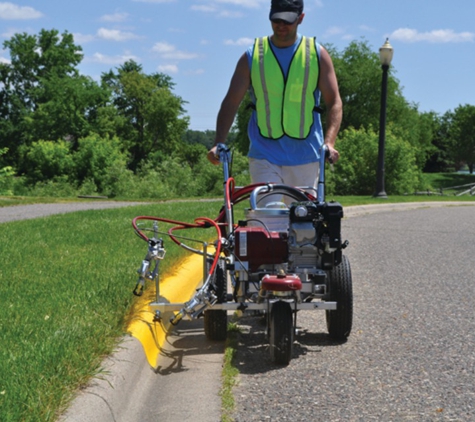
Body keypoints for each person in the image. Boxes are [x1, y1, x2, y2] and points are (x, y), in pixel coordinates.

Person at [207, 0, 342, 201]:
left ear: (301, 19)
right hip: (264, 154)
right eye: (276, 20)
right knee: (267, 218)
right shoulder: (253, 56)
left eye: (288, 21)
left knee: (302, 222)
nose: (281, 26)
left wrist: (329, 142)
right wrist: (219, 142)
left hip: (306, 156)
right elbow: (231, 101)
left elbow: (334, 102)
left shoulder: (316, 54)